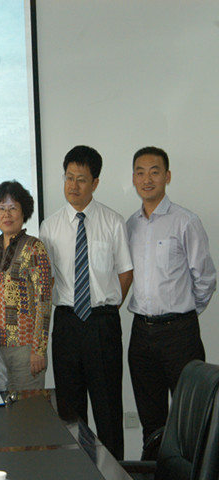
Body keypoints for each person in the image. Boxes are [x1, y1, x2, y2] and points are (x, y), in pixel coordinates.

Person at [39, 145, 133, 460]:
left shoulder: (113, 222)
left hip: (102, 323)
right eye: (69, 178)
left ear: (95, 182)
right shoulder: (50, 227)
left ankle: (114, 472)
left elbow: (125, 273)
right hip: (66, 323)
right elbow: (48, 280)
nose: (73, 185)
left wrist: (106, 309)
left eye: (81, 179)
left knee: (108, 407)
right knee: (70, 410)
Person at [127, 146, 216, 445]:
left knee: (191, 419)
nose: (147, 179)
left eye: (154, 172)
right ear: (133, 178)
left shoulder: (185, 221)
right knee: (151, 424)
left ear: (167, 176)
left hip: (180, 335)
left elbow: (205, 278)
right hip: (141, 334)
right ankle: (155, 467)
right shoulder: (130, 225)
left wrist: (184, 313)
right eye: (140, 172)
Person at [0, 181, 52, 391]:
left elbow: (44, 301)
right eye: (1, 208)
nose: (7, 214)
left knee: (27, 408)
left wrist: (38, 349)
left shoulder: (35, 248)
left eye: (13, 208)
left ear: (24, 212)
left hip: (26, 348)